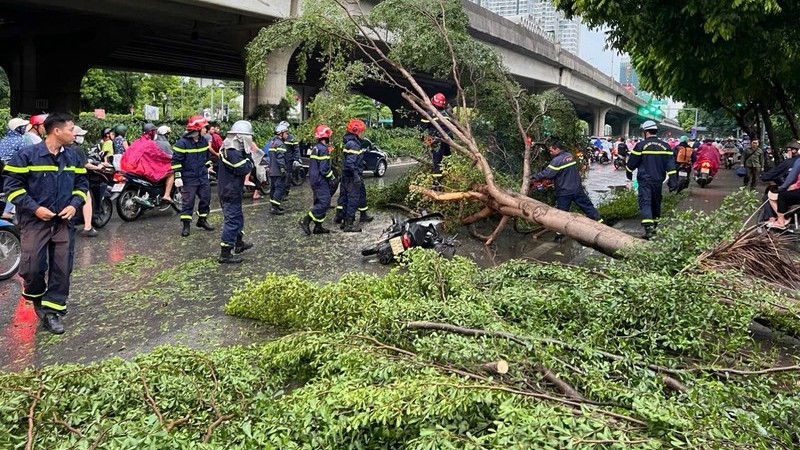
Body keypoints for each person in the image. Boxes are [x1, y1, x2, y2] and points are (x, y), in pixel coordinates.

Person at [3, 113, 89, 334]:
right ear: (56, 131)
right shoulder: (26, 156)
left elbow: (81, 184)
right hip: (34, 222)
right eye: (71, 129)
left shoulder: (73, 157)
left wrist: (74, 204)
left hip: (63, 223)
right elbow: (12, 189)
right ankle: (37, 297)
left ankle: (52, 312)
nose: (74, 133)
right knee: (32, 268)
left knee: (62, 268)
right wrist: (35, 208)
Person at [531, 139, 602, 232]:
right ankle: (600, 224)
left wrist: (533, 176)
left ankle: (559, 234)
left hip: (564, 191)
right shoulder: (569, 156)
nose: (550, 152)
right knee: (588, 207)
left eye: (552, 150)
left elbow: (548, 174)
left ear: (557, 149)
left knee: (562, 214)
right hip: (577, 188)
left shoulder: (556, 161)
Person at [625, 120, 678, 239]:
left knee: (645, 201)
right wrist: (673, 181)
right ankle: (655, 225)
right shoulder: (666, 146)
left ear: (645, 132)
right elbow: (671, 166)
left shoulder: (641, 145)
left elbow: (632, 162)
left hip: (645, 180)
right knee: (656, 202)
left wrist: (629, 172)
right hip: (659, 180)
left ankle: (649, 228)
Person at [217, 121, 255, 264]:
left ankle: (238, 243)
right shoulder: (231, 152)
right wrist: (249, 157)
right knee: (232, 221)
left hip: (232, 189)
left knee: (238, 218)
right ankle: (225, 254)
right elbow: (244, 168)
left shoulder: (231, 149)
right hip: (229, 191)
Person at [172, 115, 215, 237]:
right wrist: (178, 176)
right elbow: (175, 162)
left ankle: (202, 220)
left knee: (206, 198)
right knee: (188, 202)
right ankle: (186, 225)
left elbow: (206, 158)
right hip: (188, 178)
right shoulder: (182, 144)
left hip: (202, 176)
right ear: (196, 129)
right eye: (204, 127)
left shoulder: (203, 141)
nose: (206, 130)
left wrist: (208, 167)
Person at [300, 124, 338, 236]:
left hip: (314, 179)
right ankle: (306, 220)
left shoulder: (316, 148)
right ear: (326, 136)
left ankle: (318, 227)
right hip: (320, 180)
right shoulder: (323, 150)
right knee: (324, 202)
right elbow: (324, 169)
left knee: (318, 201)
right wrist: (332, 177)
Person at [339, 119, 370, 232]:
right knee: (353, 199)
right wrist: (356, 175)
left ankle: (345, 221)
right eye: (362, 132)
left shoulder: (351, 143)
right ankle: (349, 224)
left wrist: (362, 163)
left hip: (349, 176)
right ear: (356, 132)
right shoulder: (354, 145)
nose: (363, 134)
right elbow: (350, 163)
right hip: (352, 177)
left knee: (352, 197)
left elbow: (352, 159)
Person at [69, 126, 100, 238]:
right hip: (76, 179)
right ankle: (87, 227)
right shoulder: (77, 149)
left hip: (64, 179)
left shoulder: (61, 147)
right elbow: (86, 165)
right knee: (86, 198)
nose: (82, 137)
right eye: (80, 135)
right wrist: (98, 168)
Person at [419, 93, 452, 181]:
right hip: (448, 140)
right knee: (447, 159)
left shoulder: (429, 114)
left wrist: (424, 140)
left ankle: (437, 185)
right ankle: (449, 178)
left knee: (437, 162)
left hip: (436, 141)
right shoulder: (445, 114)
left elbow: (420, 129)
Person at [267, 123, 290, 215]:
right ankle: (275, 208)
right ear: (281, 134)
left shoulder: (273, 143)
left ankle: (274, 205)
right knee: (279, 188)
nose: (287, 135)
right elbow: (280, 158)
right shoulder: (280, 144)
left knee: (273, 188)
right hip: (278, 171)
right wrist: (282, 169)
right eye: (285, 133)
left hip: (272, 170)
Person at [281, 121, 301, 200]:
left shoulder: (291, 138)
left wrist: (296, 159)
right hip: (281, 160)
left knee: (288, 176)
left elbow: (296, 149)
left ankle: (286, 192)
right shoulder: (279, 139)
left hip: (289, 160)